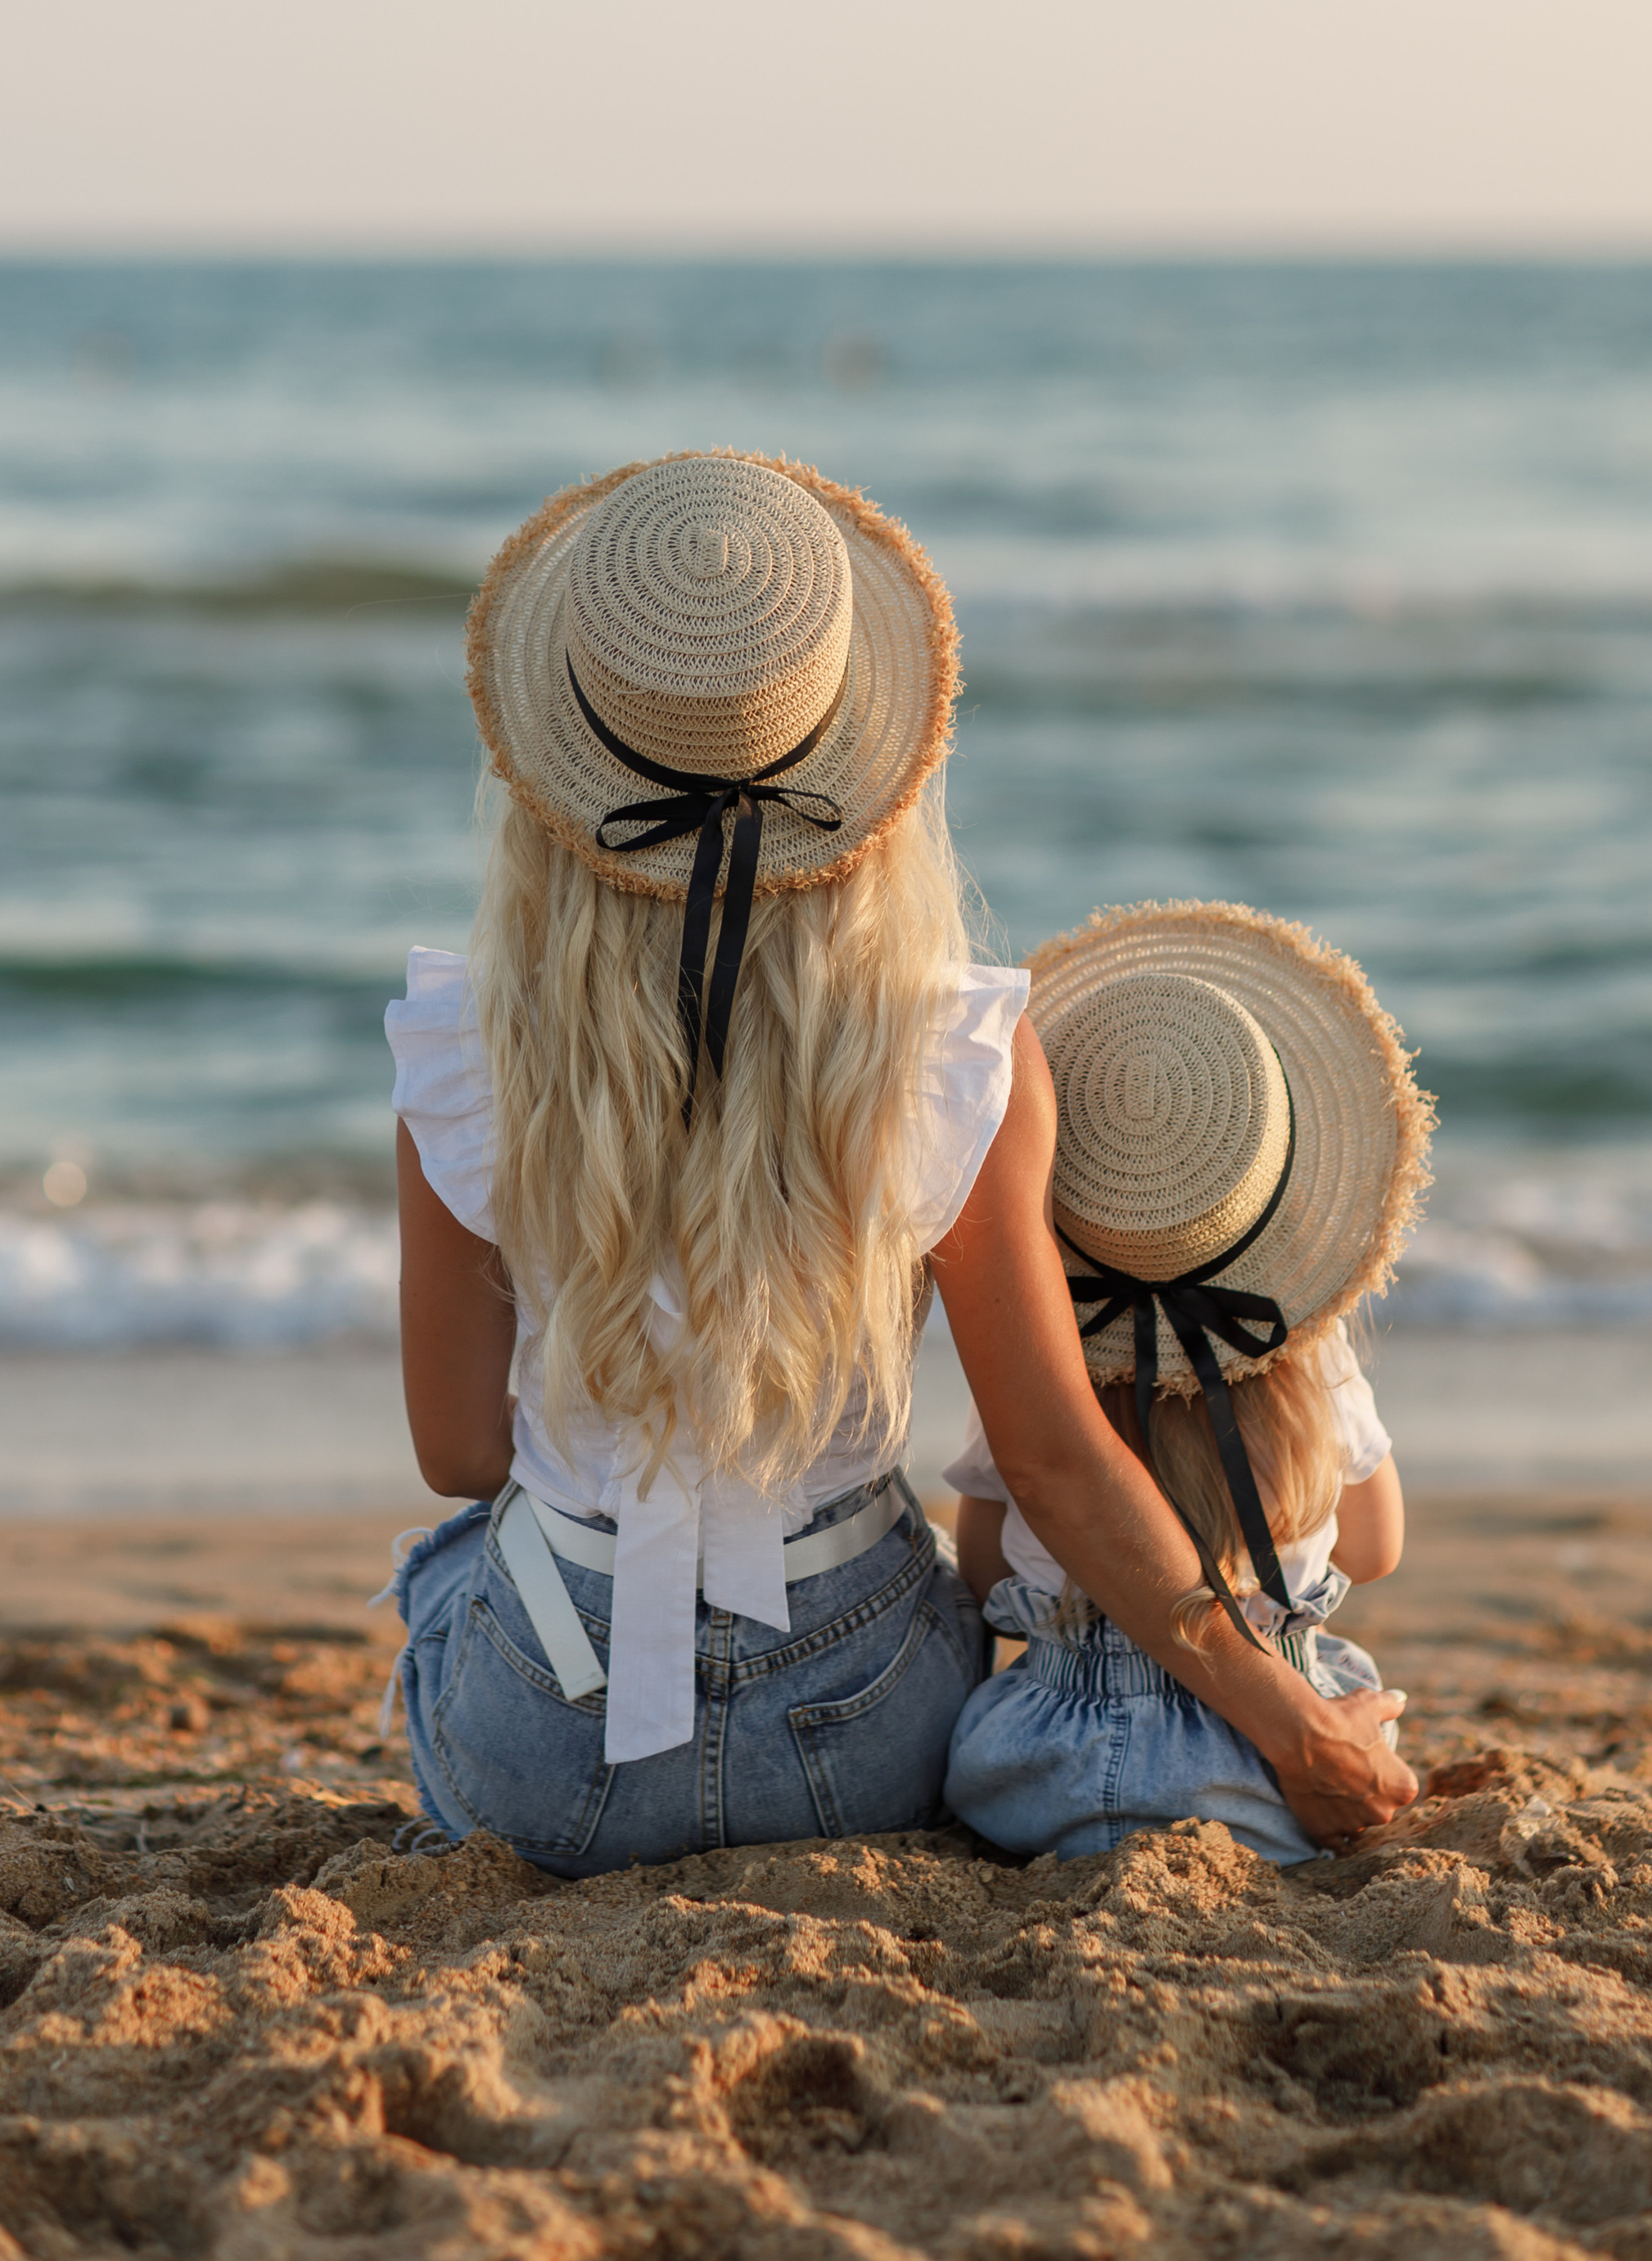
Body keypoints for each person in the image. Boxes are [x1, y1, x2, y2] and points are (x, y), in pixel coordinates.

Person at [385, 451, 1420, 1874]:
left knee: (451, 1570)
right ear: (855, 755)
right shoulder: (956, 1052)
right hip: (856, 1741)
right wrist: (1293, 1723)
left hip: (552, 1761)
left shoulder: (459, 1045)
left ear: (557, 769)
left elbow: (460, 1452)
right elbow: (1057, 1465)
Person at [942, 901, 1433, 1866]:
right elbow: (1373, 1547)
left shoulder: (1039, 1367)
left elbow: (985, 1573)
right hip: (1261, 1777)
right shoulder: (1309, 1357)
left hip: (1038, 1775)